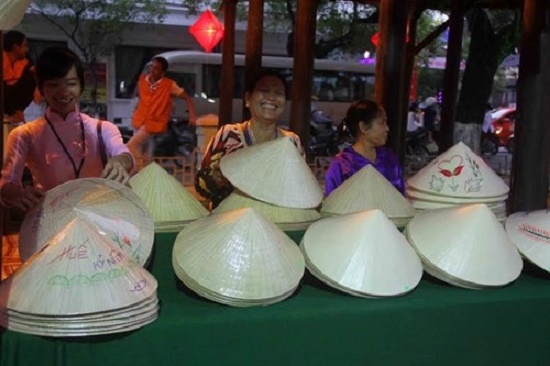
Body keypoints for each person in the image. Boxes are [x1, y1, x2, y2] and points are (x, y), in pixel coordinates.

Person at [0, 47, 134, 212]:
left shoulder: (102, 128)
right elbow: (7, 182)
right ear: (41, 87)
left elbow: (123, 153)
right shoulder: (24, 134)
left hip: (98, 218)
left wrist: (120, 161)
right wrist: (15, 193)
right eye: (54, 85)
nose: (64, 92)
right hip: (50, 219)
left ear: (81, 84)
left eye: (71, 83)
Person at [195, 69, 303, 208]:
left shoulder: (292, 142)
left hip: (277, 220)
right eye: (264, 90)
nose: (271, 97)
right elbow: (202, 183)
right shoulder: (228, 134)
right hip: (230, 219)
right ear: (247, 99)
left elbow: (301, 188)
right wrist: (220, 183)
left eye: (278, 93)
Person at [128, 56, 197, 170]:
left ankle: (139, 171)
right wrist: (134, 111)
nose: (152, 70)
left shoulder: (169, 85)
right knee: (147, 153)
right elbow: (141, 99)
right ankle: (145, 176)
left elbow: (187, 98)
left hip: (153, 124)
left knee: (131, 146)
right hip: (139, 120)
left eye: (156, 68)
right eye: (152, 67)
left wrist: (192, 115)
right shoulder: (143, 80)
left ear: (162, 72)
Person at [324, 99, 405, 196]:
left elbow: (401, 197)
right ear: (363, 127)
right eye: (382, 123)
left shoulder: (390, 158)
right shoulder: (341, 164)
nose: (387, 129)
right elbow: (331, 203)